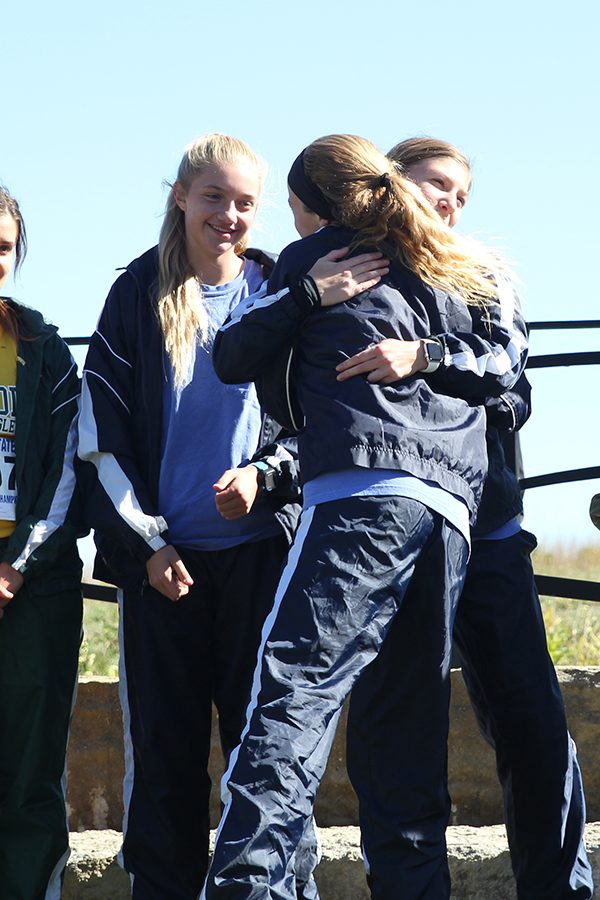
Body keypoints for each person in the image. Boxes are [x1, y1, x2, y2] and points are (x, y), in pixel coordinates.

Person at [202, 133, 528, 899]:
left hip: (357, 502)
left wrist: (310, 292)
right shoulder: (453, 270)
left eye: (291, 211)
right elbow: (506, 370)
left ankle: (248, 889)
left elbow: (230, 354)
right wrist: (430, 355)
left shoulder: (317, 260)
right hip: (447, 519)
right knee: (404, 736)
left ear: (315, 207)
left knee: (289, 698)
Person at [76, 133, 387, 900]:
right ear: (179, 197)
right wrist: (146, 546)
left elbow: (320, 417)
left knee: (272, 755)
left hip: (265, 562)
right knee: (165, 761)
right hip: (164, 571)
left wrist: (264, 475)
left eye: (245, 202)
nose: (230, 214)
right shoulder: (135, 295)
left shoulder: (282, 282)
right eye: (213, 196)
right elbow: (99, 441)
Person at [340, 137, 593, 899]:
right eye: (432, 184)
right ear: (391, 187)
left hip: (487, 540)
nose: (447, 201)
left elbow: (510, 383)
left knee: (535, 729)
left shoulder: (488, 280)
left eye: (459, 192)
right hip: (393, 544)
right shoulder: (353, 277)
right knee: (401, 739)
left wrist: (418, 361)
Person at [0, 185, 83, 898]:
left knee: (30, 772)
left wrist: (13, 566)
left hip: (32, 589)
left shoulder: (47, 352)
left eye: (1, 248)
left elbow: (65, 470)